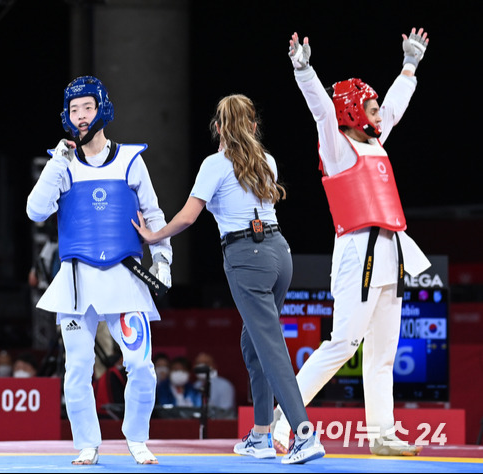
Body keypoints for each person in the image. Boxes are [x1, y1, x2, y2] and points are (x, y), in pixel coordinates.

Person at [133, 94, 325, 465]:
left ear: (219, 127)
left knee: (269, 347)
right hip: (280, 254)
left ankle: (303, 433)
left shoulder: (215, 164)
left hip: (247, 257)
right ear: (253, 126)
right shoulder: (265, 160)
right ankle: (262, 435)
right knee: (254, 344)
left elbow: (188, 217)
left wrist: (154, 237)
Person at [271, 29, 432, 457]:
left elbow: (397, 105)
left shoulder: (377, 142)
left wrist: (410, 65)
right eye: (372, 107)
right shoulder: (337, 147)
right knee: (342, 344)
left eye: (378, 108)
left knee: (383, 352)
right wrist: (303, 70)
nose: (381, 114)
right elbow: (322, 111)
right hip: (357, 252)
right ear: (353, 110)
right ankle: (284, 418)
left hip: (390, 250)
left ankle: (382, 434)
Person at [26, 75, 172, 466]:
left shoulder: (130, 160)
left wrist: (163, 258)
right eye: (74, 109)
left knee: (141, 364)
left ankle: (137, 438)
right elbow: (35, 211)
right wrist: (57, 163)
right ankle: (86, 442)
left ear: (102, 108)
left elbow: (154, 214)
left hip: (125, 278)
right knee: (77, 368)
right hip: (77, 281)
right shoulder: (63, 163)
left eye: (87, 107)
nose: (81, 116)